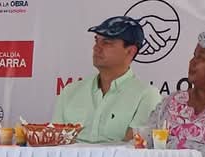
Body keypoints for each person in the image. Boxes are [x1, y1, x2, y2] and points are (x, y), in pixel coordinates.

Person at [53, 15, 161, 143]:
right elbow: (54, 143)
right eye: (96, 41)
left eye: (107, 42)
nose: (96, 47)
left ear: (130, 51)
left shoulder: (147, 95)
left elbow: (133, 147)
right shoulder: (70, 91)